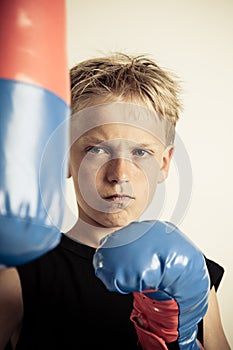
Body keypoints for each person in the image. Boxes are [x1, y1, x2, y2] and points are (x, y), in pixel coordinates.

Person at [0, 53, 231, 350]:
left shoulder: (194, 272)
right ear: (65, 158)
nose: (119, 174)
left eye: (140, 153)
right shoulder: (20, 278)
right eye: (96, 149)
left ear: (164, 164)